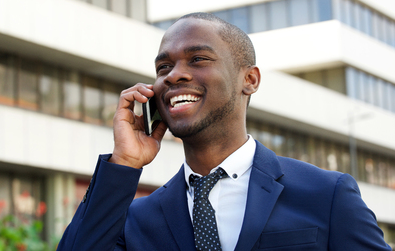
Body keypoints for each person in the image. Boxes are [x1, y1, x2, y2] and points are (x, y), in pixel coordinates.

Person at [57, 13, 391, 250]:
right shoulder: (136, 219)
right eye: (163, 67)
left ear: (250, 79)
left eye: (198, 59)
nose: (173, 75)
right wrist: (124, 163)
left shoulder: (326, 195)